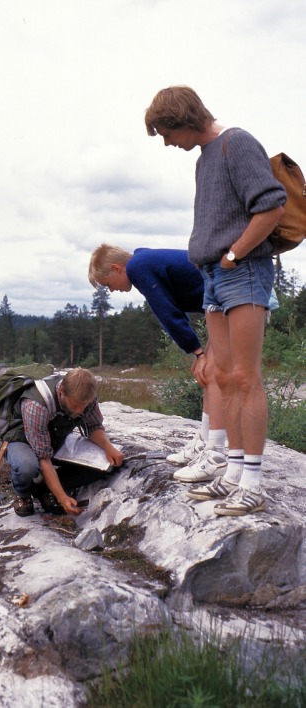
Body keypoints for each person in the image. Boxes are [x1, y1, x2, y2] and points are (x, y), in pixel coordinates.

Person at [144, 86, 286, 516]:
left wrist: (233, 254)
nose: (168, 142)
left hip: (240, 272)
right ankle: (233, 472)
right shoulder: (205, 158)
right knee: (223, 377)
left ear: (184, 118)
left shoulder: (236, 143)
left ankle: (253, 484)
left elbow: (272, 206)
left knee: (246, 377)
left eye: (167, 132)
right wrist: (216, 263)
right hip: (213, 278)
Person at [88, 244, 228, 481]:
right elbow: (174, 308)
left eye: (107, 284)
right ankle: (204, 443)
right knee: (208, 376)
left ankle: (215, 455)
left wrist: (198, 353)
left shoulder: (138, 267)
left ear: (116, 268)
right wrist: (199, 353)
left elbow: (167, 312)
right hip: (221, 303)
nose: (111, 291)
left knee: (212, 373)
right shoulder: (143, 261)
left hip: (233, 298)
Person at [5, 367, 124, 517]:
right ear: (61, 391)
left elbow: (93, 427)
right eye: (75, 406)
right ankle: (23, 493)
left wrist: (108, 447)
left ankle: (42, 489)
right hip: (23, 440)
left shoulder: (86, 397)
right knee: (27, 466)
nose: (80, 410)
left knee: (106, 462)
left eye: (84, 406)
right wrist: (62, 498)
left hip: (56, 438)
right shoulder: (35, 404)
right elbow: (44, 457)